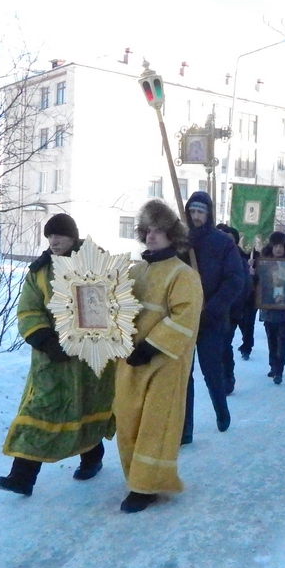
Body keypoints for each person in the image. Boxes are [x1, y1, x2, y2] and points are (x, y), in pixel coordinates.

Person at [0, 213, 114, 497]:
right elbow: (28, 309)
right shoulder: (40, 271)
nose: (54, 241)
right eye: (49, 236)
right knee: (40, 410)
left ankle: (92, 458)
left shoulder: (96, 262)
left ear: (73, 236)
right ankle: (22, 477)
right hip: (51, 359)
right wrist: (45, 340)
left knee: (85, 408)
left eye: (59, 235)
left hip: (88, 359)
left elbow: (112, 302)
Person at [114, 200, 202, 513]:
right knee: (127, 417)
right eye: (147, 230)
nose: (151, 236)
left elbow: (185, 317)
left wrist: (151, 346)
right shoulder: (135, 271)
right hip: (129, 360)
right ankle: (134, 476)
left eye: (158, 231)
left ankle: (146, 485)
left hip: (164, 362)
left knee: (155, 422)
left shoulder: (183, 275)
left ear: (172, 235)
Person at [181, 191, 246, 439]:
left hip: (211, 319)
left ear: (208, 214)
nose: (195, 216)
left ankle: (221, 410)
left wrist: (213, 309)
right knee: (184, 375)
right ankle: (185, 428)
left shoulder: (222, 243)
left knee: (211, 369)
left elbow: (235, 280)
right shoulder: (180, 241)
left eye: (200, 212)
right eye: (192, 211)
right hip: (184, 317)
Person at [215, 224, 255, 395]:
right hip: (211, 311)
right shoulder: (211, 256)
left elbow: (244, 287)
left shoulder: (239, 260)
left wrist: (234, 307)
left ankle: (227, 378)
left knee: (224, 344)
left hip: (230, 312)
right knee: (215, 347)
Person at [260, 231, 285, 384]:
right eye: (275, 246)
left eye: (281, 246)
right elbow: (258, 286)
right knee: (272, 340)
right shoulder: (263, 265)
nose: (278, 249)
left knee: (283, 340)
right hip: (269, 310)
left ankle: (279, 369)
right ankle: (273, 365)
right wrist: (252, 272)